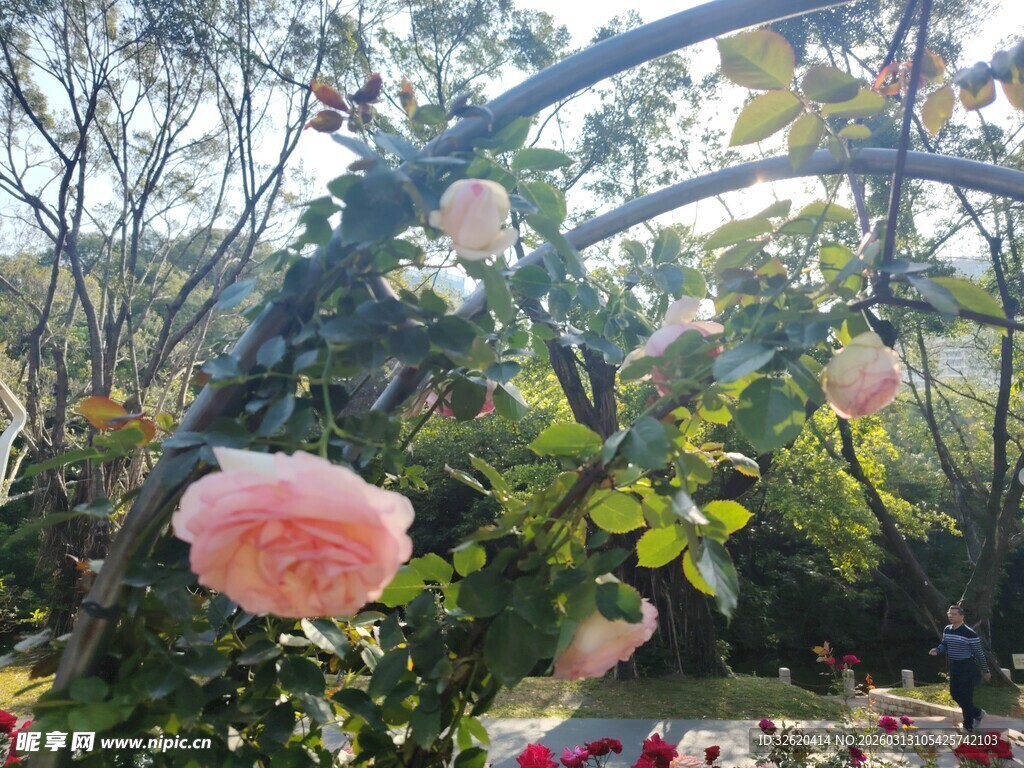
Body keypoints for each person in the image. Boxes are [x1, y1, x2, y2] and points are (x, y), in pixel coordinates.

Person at [929, 605, 991, 731]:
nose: (951, 616)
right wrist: (938, 650)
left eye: (954, 614)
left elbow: (979, 654)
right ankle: (978, 713)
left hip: (967, 667)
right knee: (955, 694)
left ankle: (968, 726)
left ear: (962, 616)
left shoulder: (970, 633)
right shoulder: (947, 629)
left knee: (966, 696)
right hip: (954, 666)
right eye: (949, 613)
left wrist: (986, 671)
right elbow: (945, 644)